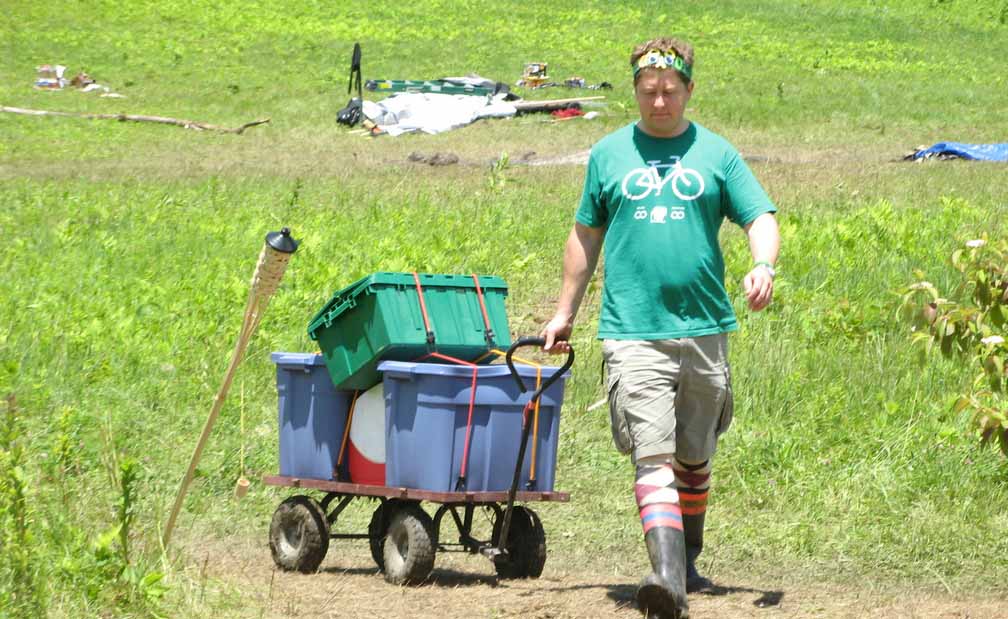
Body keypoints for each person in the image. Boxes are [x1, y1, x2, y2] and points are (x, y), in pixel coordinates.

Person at [540, 37, 780, 619]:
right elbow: (585, 238)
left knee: (694, 458)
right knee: (653, 455)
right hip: (633, 330)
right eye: (649, 92)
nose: (659, 101)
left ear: (689, 90)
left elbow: (760, 216)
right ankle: (667, 580)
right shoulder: (609, 155)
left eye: (670, 91)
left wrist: (762, 265)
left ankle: (687, 561)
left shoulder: (717, 154)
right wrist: (564, 311)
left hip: (705, 328)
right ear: (636, 92)